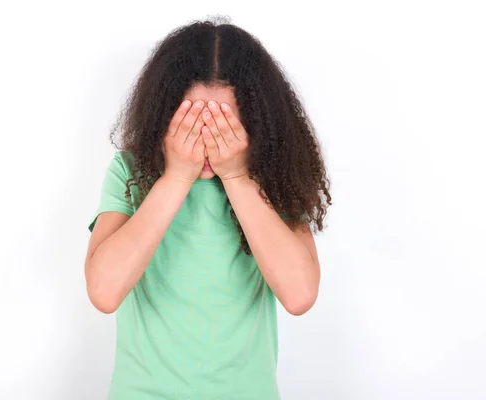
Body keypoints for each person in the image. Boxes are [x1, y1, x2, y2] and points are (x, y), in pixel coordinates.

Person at [84, 17, 332, 400]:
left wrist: (236, 177)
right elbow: (104, 292)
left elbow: (299, 295)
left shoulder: (274, 178)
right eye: (191, 120)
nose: (207, 140)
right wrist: (176, 178)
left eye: (223, 124)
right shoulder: (131, 172)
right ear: (164, 116)